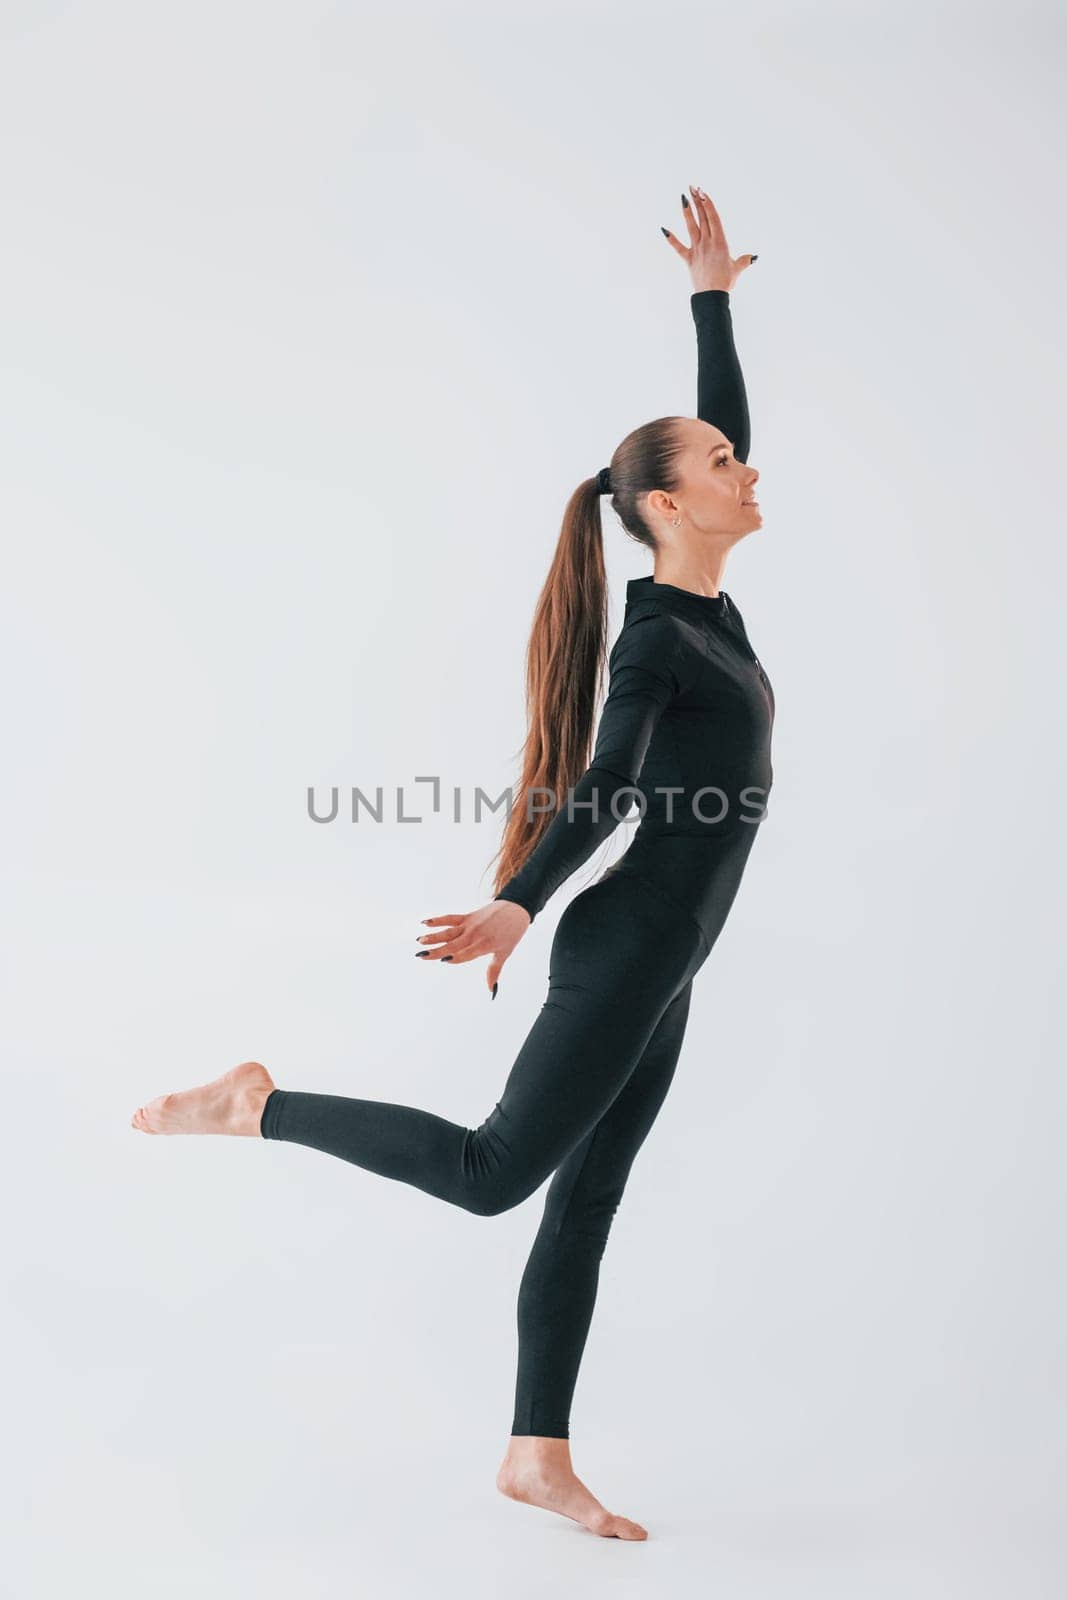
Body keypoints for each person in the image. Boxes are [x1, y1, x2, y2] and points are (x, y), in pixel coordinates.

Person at [131, 184, 772, 1542]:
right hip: (632, 942)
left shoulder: (708, 598)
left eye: (736, 455)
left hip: (672, 956)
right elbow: (605, 785)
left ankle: (535, 1455)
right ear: (668, 504)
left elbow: (727, 442)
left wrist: (711, 303)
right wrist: (519, 900)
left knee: (587, 1197)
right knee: (495, 1178)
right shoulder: (657, 638)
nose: (748, 470)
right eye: (721, 463)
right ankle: (260, 1105)